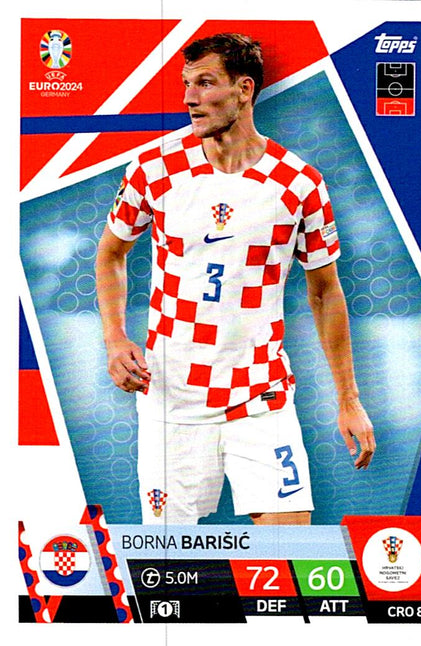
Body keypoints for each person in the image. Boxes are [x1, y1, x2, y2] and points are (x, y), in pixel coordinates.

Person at [96, 33, 375, 526]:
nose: (189, 98)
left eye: (205, 83)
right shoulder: (153, 170)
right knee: (171, 564)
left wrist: (349, 399)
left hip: (260, 397)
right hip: (172, 399)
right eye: (186, 84)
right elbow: (111, 254)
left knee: (293, 555)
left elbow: (325, 291)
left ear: (244, 89)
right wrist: (116, 339)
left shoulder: (299, 184)